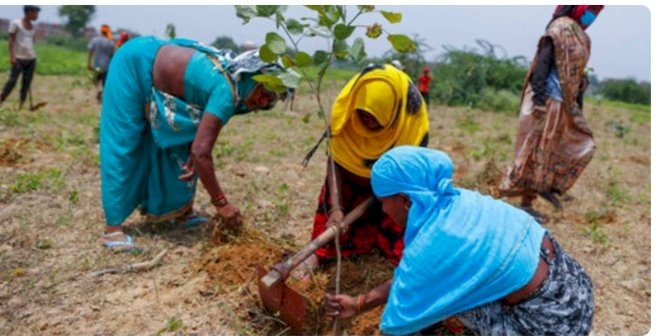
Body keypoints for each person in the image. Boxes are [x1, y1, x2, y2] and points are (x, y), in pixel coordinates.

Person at [324, 146, 594, 336]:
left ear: (406, 201)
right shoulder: (459, 201)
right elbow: (417, 278)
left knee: (440, 308)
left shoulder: (432, 245)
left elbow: (396, 325)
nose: (383, 211)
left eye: (384, 202)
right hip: (576, 292)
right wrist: (360, 303)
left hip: (549, 325)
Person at [99, 36, 289, 251]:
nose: (263, 102)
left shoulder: (240, 90)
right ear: (253, 77)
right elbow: (202, 153)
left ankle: (178, 212)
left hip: (166, 77)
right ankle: (112, 229)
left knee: (183, 146)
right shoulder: (227, 91)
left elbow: (200, 143)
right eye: (265, 93)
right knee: (124, 142)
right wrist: (221, 203)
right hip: (135, 63)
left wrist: (197, 150)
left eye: (271, 101)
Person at [294, 63, 429, 278]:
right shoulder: (346, 112)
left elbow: (409, 175)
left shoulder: (410, 122)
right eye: (363, 115)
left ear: (392, 112)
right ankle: (316, 255)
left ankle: (393, 257)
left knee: (401, 229)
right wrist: (336, 207)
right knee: (329, 224)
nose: (367, 122)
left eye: (375, 117)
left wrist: (383, 195)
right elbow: (335, 158)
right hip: (349, 183)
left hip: (392, 189)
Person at [499, 5, 604, 215]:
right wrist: (538, 99)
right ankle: (526, 203)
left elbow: (576, 74)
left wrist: (578, 96)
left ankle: (547, 187)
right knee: (534, 152)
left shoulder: (583, 38)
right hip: (546, 100)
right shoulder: (558, 30)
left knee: (577, 146)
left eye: (595, 11)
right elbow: (542, 64)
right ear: (578, 8)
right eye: (589, 9)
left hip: (564, 104)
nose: (591, 15)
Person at [0, 5, 40, 109]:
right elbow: (11, 40)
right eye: (35, 12)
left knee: (26, 83)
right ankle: (1, 100)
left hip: (31, 58)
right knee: (12, 81)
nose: (37, 15)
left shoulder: (34, 27)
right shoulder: (16, 24)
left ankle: (21, 105)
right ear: (29, 12)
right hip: (18, 58)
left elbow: (32, 41)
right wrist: (12, 56)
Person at [87, 24, 116, 102]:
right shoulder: (110, 42)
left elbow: (90, 51)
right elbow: (113, 55)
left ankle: (98, 90)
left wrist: (89, 63)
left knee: (95, 80)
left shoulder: (95, 40)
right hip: (107, 66)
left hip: (96, 65)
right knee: (105, 82)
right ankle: (103, 93)